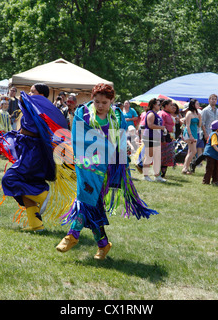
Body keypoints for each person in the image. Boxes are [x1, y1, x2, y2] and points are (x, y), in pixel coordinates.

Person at [56, 83, 159, 260]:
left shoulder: (116, 117)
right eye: (97, 101)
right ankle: (75, 236)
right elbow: (78, 138)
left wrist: (120, 163)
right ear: (92, 99)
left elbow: (117, 144)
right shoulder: (84, 114)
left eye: (104, 102)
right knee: (86, 200)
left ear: (112, 100)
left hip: (105, 169)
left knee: (91, 203)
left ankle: (100, 243)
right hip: (86, 165)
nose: (100, 105)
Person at [1, 83, 66, 232]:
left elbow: (41, 131)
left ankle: (42, 195)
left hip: (33, 152)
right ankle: (36, 225)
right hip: (30, 150)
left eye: (33, 92)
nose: (29, 95)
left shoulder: (43, 111)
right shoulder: (34, 109)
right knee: (27, 184)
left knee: (10, 179)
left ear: (42, 96)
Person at [142, 98, 167, 182]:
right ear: (153, 105)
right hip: (150, 136)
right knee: (149, 156)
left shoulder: (155, 114)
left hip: (155, 137)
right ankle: (145, 175)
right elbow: (150, 125)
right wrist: (161, 127)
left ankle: (157, 176)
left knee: (157, 157)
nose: (160, 106)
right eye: (158, 104)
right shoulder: (151, 114)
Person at [182, 99, 201, 174]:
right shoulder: (189, 113)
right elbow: (187, 125)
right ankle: (185, 168)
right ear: (193, 105)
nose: (198, 105)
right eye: (197, 104)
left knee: (190, 151)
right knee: (194, 151)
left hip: (195, 133)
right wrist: (190, 136)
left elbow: (199, 125)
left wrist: (200, 117)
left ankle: (185, 168)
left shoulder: (197, 113)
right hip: (189, 133)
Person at [158, 99, 175, 178]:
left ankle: (163, 174)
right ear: (165, 106)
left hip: (169, 137)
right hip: (164, 138)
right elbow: (161, 127)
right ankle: (159, 174)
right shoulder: (162, 114)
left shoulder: (168, 114)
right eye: (171, 105)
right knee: (162, 156)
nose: (172, 107)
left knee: (167, 156)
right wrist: (163, 139)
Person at [202, 120, 218, 185]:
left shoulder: (214, 134)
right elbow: (213, 144)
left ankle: (215, 181)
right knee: (210, 168)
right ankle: (206, 181)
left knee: (216, 168)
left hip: (214, 155)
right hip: (211, 154)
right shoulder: (214, 134)